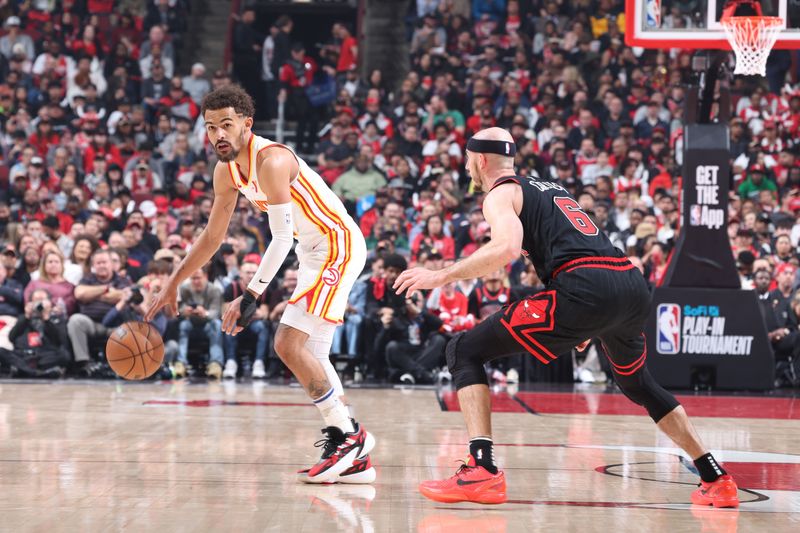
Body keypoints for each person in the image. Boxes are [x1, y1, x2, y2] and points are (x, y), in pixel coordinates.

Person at [394, 127, 739, 507]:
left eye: (466, 159)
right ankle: (715, 477)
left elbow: (506, 248)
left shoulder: (500, 194)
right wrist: (588, 319)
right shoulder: (552, 188)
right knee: (638, 384)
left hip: (584, 287)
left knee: (463, 350)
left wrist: (440, 275)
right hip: (629, 285)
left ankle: (483, 470)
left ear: (479, 160)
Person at [144, 85, 373, 484]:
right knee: (312, 353)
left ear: (246, 124)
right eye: (211, 126)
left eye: (227, 125)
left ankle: (350, 437)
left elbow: (281, 238)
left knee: (286, 343)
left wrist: (250, 295)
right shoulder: (226, 170)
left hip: (337, 244)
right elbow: (212, 238)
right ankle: (350, 448)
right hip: (312, 251)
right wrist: (173, 282)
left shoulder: (272, 160)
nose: (218, 134)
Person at [68, 249, 132, 374]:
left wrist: (92, 294)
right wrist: (106, 289)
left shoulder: (122, 280)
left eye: (104, 262)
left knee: (130, 328)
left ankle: (121, 366)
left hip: (116, 324)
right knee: (75, 320)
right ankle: (84, 363)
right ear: (93, 266)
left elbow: (126, 296)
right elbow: (79, 293)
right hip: (91, 323)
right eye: (98, 263)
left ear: (111, 264)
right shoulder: (87, 279)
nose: (102, 265)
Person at [0, 288, 70, 378]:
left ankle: (24, 371)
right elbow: (11, 337)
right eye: (36, 300)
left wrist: (46, 318)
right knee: (1, 351)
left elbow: (61, 341)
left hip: (45, 356)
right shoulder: (23, 318)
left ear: (49, 302)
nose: (39, 304)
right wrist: (26, 317)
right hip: (23, 355)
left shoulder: (55, 319)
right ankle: (37, 373)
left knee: (64, 355)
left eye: (42, 300)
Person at [222, 258, 270, 379]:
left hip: (253, 324)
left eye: (254, 272)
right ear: (240, 273)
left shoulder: (263, 289)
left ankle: (259, 363)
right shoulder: (231, 288)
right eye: (248, 272)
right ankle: (231, 362)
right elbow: (225, 313)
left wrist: (243, 313)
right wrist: (251, 312)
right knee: (228, 325)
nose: (251, 275)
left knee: (262, 327)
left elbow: (264, 314)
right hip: (236, 323)